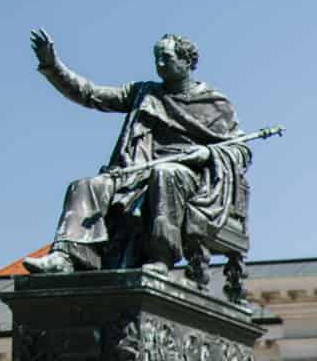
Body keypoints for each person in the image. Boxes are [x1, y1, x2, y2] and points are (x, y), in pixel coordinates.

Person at [22, 30, 252, 279]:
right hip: (136, 170)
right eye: (156, 59)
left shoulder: (214, 103)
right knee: (86, 186)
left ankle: (160, 257)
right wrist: (52, 64)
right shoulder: (143, 93)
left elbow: (240, 150)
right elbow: (89, 94)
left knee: (165, 174)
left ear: (187, 61)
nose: (159, 65)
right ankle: (66, 256)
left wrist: (206, 153)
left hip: (188, 177)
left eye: (166, 58)